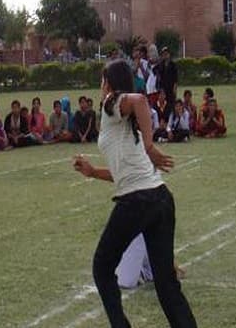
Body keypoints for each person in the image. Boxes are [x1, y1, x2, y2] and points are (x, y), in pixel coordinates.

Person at [72, 59, 197, 328]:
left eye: (102, 80)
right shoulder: (126, 123)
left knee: (102, 267)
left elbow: (140, 100)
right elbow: (124, 173)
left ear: (108, 84)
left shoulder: (111, 103)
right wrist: (92, 172)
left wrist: (150, 146)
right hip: (160, 198)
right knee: (166, 283)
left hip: (138, 201)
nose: (100, 86)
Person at [154, 47, 179, 119]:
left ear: (169, 54)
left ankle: (172, 118)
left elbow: (176, 78)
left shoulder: (173, 65)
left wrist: (175, 88)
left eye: (167, 54)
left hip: (171, 88)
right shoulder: (160, 64)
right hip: (163, 88)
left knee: (171, 103)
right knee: (163, 104)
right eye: (164, 54)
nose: (165, 55)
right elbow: (154, 70)